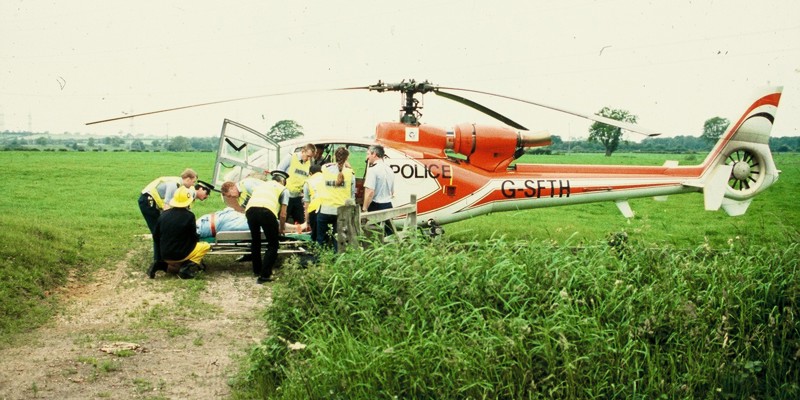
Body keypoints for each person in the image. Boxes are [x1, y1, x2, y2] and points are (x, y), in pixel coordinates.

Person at [139, 169, 203, 267]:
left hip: (150, 202)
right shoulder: (174, 185)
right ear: (188, 179)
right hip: (148, 202)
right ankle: (159, 261)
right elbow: (167, 206)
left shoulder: (178, 184)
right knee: (158, 231)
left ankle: (162, 258)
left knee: (161, 231)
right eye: (193, 182)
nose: (192, 185)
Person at [149, 186, 211, 279]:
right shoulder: (189, 216)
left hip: (164, 254)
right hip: (181, 254)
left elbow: (156, 236)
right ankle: (185, 268)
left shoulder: (163, 215)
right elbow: (193, 236)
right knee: (206, 246)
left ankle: (160, 264)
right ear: (188, 201)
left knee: (174, 264)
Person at [245, 170, 290, 284]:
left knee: (256, 241)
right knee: (273, 244)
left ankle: (257, 270)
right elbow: (283, 214)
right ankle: (264, 275)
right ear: (283, 181)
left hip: (250, 211)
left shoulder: (262, 185)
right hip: (266, 211)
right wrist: (281, 227)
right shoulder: (283, 189)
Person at [315, 146, 355, 252]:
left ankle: (319, 262)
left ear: (334, 157)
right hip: (340, 211)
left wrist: (333, 163)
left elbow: (325, 165)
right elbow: (352, 196)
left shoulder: (325, 169)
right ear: (347, 158)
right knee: (338, 240)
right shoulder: (350, 174)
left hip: (324, 209)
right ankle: (337, 262)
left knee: (320, 239)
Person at [277, 143, 317, 225]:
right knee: (282, 219)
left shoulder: (309, 162)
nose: (308, 158)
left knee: (301, 221)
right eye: (308, 156)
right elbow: (279, 171)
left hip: (298, 196)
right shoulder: (291, 157)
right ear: (303, 151)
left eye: (311, 157)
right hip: (287, 195)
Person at [362, 145, 396, 236]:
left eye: (368, 154)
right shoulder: (389, 169)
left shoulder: (373, 170)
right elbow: (392, 192)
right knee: (390, 234)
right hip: (388, 204)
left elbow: (370, 192)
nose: (367, 157)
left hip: (376, 205)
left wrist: (364, 208)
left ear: (374, 154)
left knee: (372, 234)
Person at [302, 163, 323, 242]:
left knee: (315, 235)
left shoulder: (308, 182)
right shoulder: (326, 178)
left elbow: (306, 204)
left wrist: (307, 221)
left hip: (314, 209)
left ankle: (316, 250)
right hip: (327, 207)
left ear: (310, 174)